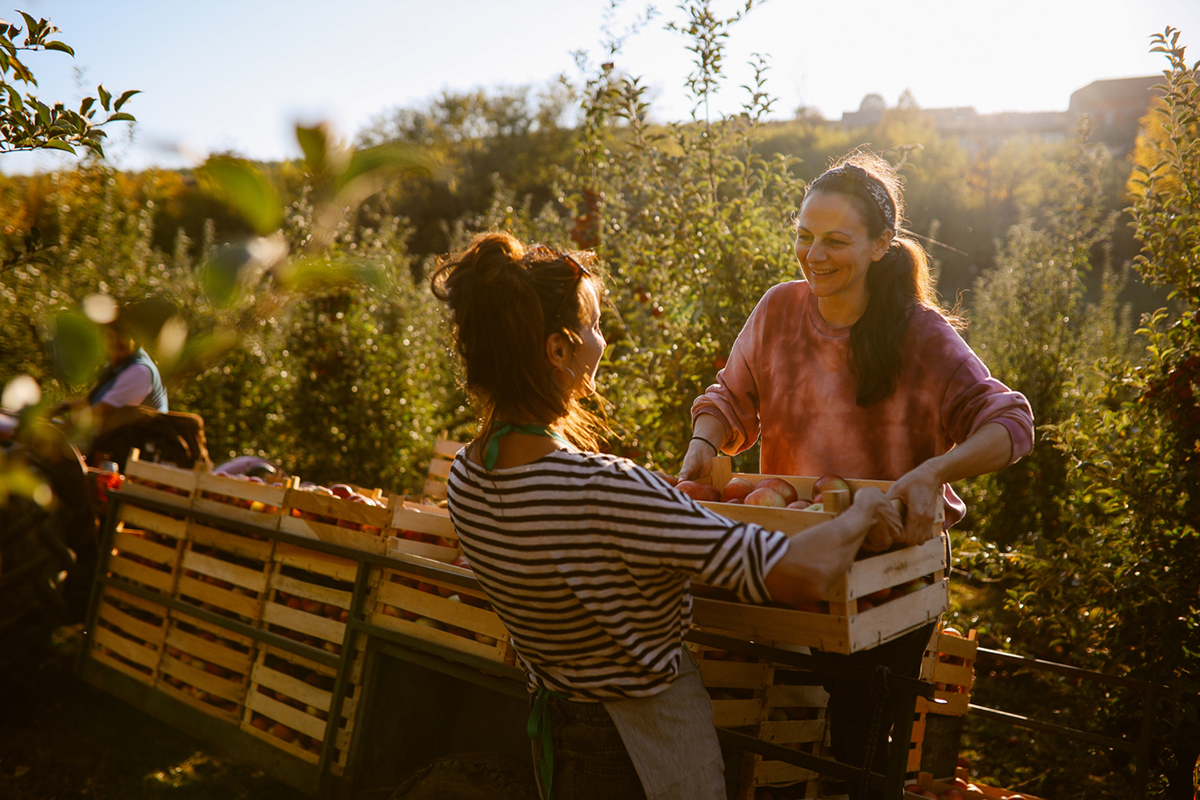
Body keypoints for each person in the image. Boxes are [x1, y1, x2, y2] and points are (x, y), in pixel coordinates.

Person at [431, 231, 904, 800]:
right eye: (594, 326)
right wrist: (860, 511)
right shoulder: (604, 488)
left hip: (559, 738)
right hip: (646, 752)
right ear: (558, 351)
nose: (601, 342)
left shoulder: (469, 475)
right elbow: (795, 572)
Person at [680, 150, 1035, 796]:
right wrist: (705, 442)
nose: (814, 255)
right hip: (793, 561)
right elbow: (729, 398)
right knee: (775, 748)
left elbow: (1009, 423)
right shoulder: (778, 312)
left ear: (881, 246)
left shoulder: (919, 334)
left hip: (886, 578)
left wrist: (935, 470)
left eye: (836, 241)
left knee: (857, 757)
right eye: (804, 237)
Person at [54, 316, 168, 424]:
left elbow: (100, 411)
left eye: (120, 336)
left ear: (135, 339)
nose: (115, 342)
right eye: (110, 336)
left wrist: (63, 430)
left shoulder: (139, 370)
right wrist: (63, 407)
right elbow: (91, 402)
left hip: (139, 441)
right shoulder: (117, 367)